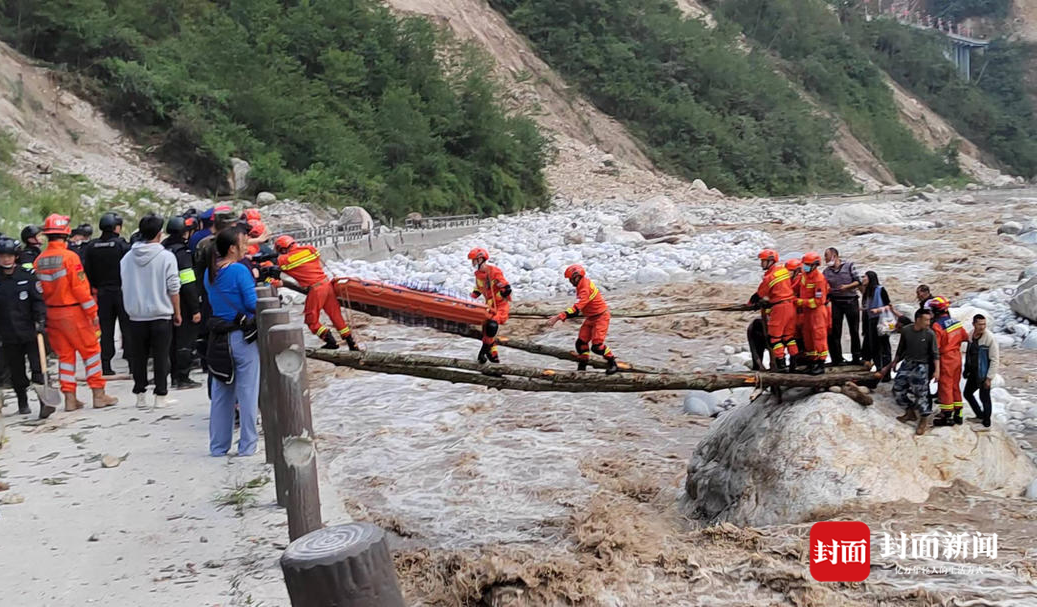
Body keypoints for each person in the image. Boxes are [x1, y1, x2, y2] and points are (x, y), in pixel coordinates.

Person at [34, 214, 118, 411]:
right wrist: (92, 313)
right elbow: (80, 289)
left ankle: (70, 399)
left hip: (52, 314)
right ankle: (99, 394)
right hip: (73, 313)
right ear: (65, 233)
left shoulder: (39, 261)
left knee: (65, 357)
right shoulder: (70, 258)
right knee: (91, 352)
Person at [204, 229, 260, 456]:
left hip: (218, 340)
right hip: (242, 339)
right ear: (232, 248)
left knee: (221, 394)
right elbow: (252, 303)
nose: (246, 248)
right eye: (243, 244)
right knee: (247, 393)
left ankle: (218, 447)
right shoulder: (238, 270)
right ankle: (247, 447)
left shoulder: (211, 272)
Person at [120, 214, 182, 410]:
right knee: (161, 356)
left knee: (138, 356)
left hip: (136, 315)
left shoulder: (127, 258)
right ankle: (160, 396)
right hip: (160, 313)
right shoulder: (166, 257)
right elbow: (174, 286)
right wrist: (177, 312)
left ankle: (140, 395)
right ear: (159, 234)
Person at [274, 234, 359, 350]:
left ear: (283, 249)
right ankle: (351, 343)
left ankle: (330, 341)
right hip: (327, 285)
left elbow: (278, 267)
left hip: (316, 289)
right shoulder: (310, 249)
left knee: (311, 320)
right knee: (336, 316)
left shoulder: (284, 259)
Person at [0, 237, 52, 418]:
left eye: (9, 256)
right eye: (2, 256)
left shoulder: (26, 276)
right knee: (16, 372)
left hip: (31, 331)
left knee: (38, 368)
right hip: (8, 334)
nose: (6, 260)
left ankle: (44, 402)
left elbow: (38, 301)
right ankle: (22, 403)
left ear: (16, 256)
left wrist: (41, 320)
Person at [82, 212, 131, 375]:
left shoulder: (91, 246)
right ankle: (132, 363)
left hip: (102, 293)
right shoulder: (121, 245)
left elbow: (86, 270)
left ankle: (106, 365)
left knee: (106, 330)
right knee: (127, 329)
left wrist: (95, 285)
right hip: (121, 291)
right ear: (116, 227)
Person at [549, 264, 619, 374]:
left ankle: (612, 362)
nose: (570, 282)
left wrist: (559, 317)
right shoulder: (582, 284)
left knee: (597, 347)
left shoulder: (584, 289)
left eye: (571, 279)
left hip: (601, 317)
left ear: (576, 277)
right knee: (581, 343)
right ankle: (583, 364)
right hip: (591, 317)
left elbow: (576, 309)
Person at [882, 309, 939, 435]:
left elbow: (935, 354)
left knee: (921, 393)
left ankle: (923, 419)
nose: (928, 323)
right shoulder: (907, 330)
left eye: (929, 320)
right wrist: (895, 361)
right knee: (897, 389)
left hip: (922, 365)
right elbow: (901, 347)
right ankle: (910, 411)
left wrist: (937, 371)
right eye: (926, 320)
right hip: (907, 363)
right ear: (918, 319)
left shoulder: (930, 334)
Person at [164, 215, 203, 389]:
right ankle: (182, 377)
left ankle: (173, 375)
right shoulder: (183, 253)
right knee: (185, 341)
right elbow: (187, 282)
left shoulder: (163, 249)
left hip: (165, 301)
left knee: (171, 342)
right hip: (183, 303)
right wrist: (195, 308)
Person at [752, 249, 798, 372]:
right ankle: (794, 362)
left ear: (770, 261)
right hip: (791, 306)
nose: (761, 264)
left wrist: (752, 301)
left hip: (780, 308)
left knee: (775, 338)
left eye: (763, 261)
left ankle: (781, 364)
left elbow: (761, 293)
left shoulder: (769, 277)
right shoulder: (783, 270)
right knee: (789, 336)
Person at [929, 296, 969, 427]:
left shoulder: (937, 326)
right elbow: (965, 337)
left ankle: (947, 416)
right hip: (957, 357)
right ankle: (959, 414)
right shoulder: (956, 322)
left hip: (945, 359)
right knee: (955, 386)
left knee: (945, 387)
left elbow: (936, 347)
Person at [468, 247, 512, 363]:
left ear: (481, 259)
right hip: (489, 306)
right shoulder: (478, 275)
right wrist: (468, 299)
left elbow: (506, 287)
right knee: (488, 331)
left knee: (492, 326)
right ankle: (493, 356)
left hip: (500, 306)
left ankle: (482, 353)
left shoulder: (494, 271)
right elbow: (478, 290)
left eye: (474, 260)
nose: (472, 263)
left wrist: (504, 290)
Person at [823, 247, 862, 365]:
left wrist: (847, 287)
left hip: (851, 301)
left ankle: (856, 357)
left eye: (827, 256)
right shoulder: (826, 272)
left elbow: (858, 281)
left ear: (835, 256)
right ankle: (837, 359)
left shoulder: (849, 266)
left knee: (854, 330)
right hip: (835, 302)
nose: (825, 259)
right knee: (835, 331)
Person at [795, 252, 830, 375]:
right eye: (805, 264)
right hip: (807, 313)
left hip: (817, 313)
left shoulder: (819, 279)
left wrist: (800, 302)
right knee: (808, 337)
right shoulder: (804, 275)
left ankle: (821, 363)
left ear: (815, 265)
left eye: (808, 264)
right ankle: (812, 361)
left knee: (818, 337)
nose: (805, 266)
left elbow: (819, 301)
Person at [964, 314, 999, 432]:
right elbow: (969, 353)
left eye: (984, 324)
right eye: (980, 324)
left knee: (984, 397)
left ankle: (986, 422)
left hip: (984, 373)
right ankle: (979, 415)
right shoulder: (970, 335)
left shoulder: (989, 338)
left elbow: (995, 359)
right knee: (967, 393)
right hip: (973, 372)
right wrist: (966, 369)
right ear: (974, 324)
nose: (982, 327)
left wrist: (989, 378)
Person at [860, 270, 893, 376]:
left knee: (883, 346)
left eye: (864, 277)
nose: (863, 279)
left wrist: (878, 310)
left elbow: (889, 306)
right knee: (874, 345)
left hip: (882, 320)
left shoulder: (880, 290)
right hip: (871, 320)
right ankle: (879, 367)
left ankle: (886, 371)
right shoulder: (867, 292)